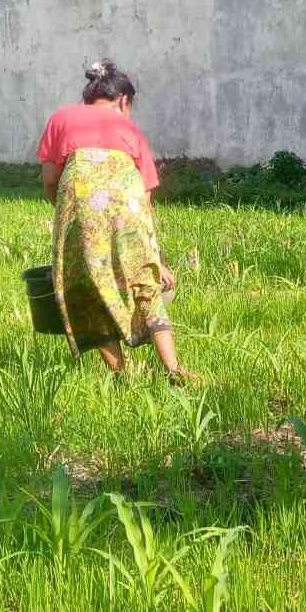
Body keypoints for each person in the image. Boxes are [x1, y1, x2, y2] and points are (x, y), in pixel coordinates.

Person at [35, 60, 190, 383]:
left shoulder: (62, 117)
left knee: (90, 287)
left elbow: (50, 179)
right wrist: (154, 260)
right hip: (128, 207)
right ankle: (175, 370)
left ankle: (123, 377)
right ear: (123, 101)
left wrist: (68, 213)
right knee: (145, 285)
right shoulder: (130, 130)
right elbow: (144, 202)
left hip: (80, 204)